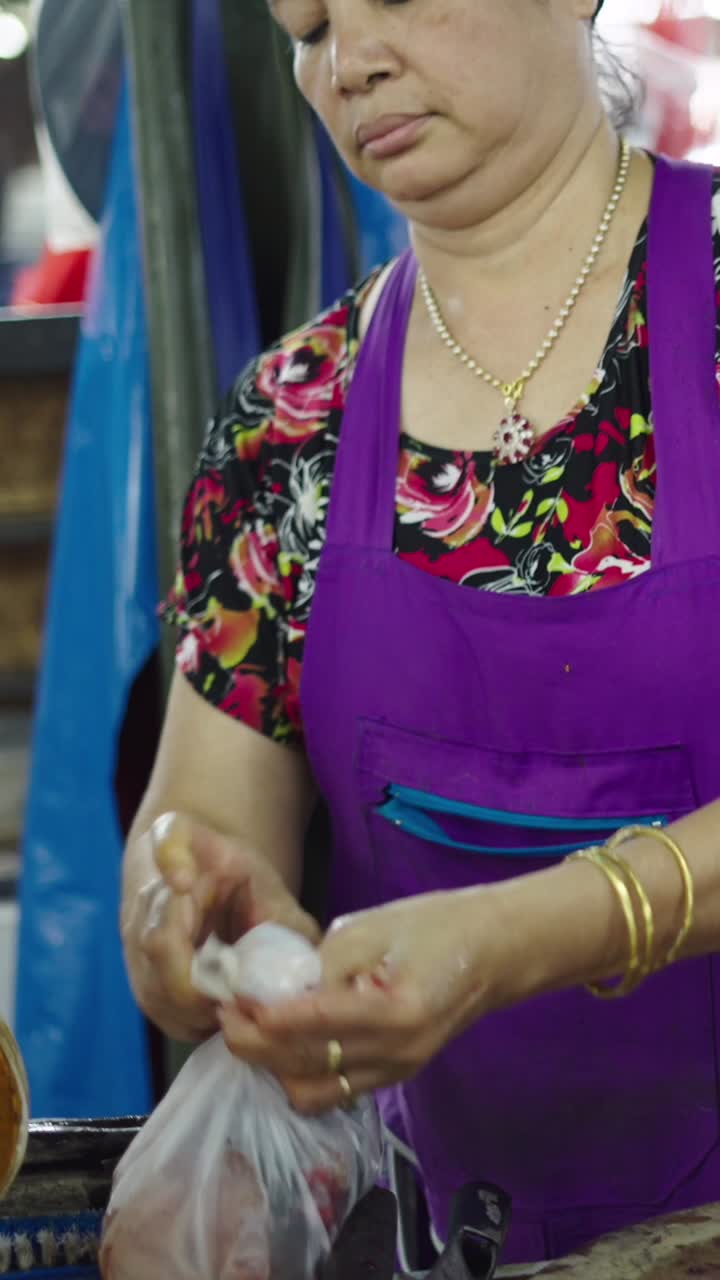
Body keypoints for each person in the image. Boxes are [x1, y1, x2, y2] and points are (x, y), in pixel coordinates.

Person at [120, 0, 720, 1266]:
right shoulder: (292, 421)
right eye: (307, 26)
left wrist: (507, 941)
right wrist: (191, 910)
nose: (351, 64)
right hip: (451, 1234)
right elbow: (204, 823)